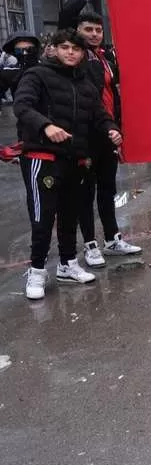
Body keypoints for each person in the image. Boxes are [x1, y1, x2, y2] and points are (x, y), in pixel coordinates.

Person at [15, 29, 122, 299]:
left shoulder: (86, 83)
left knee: (69, 216)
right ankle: (36, 271)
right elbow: (22, 106)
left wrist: (111, 129)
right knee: (43, 218)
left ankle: (67, 264)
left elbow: (99, 114)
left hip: (75, 158)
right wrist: (46, 126)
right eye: (64, 47)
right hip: (43, 157)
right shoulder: (37, 75)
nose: (70, 52)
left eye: (75, 48)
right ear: (54, 49)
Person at [58, 0, 142, 265]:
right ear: (77, 33)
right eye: (88, 30)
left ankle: (112, 239)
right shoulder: (77, 56)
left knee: (108, 189)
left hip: (107, 131)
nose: (94, 34)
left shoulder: (107, 57)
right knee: (85, 192)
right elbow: (67, 12)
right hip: (83, 133)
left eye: (97, 30)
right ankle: (90, 245)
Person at [0, 33, 42, 98]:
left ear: (35, 50)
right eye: (19, 51)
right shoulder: (9, 72)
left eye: (29, 50)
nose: (24, 53)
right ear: (13, 52)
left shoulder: (45, 68)